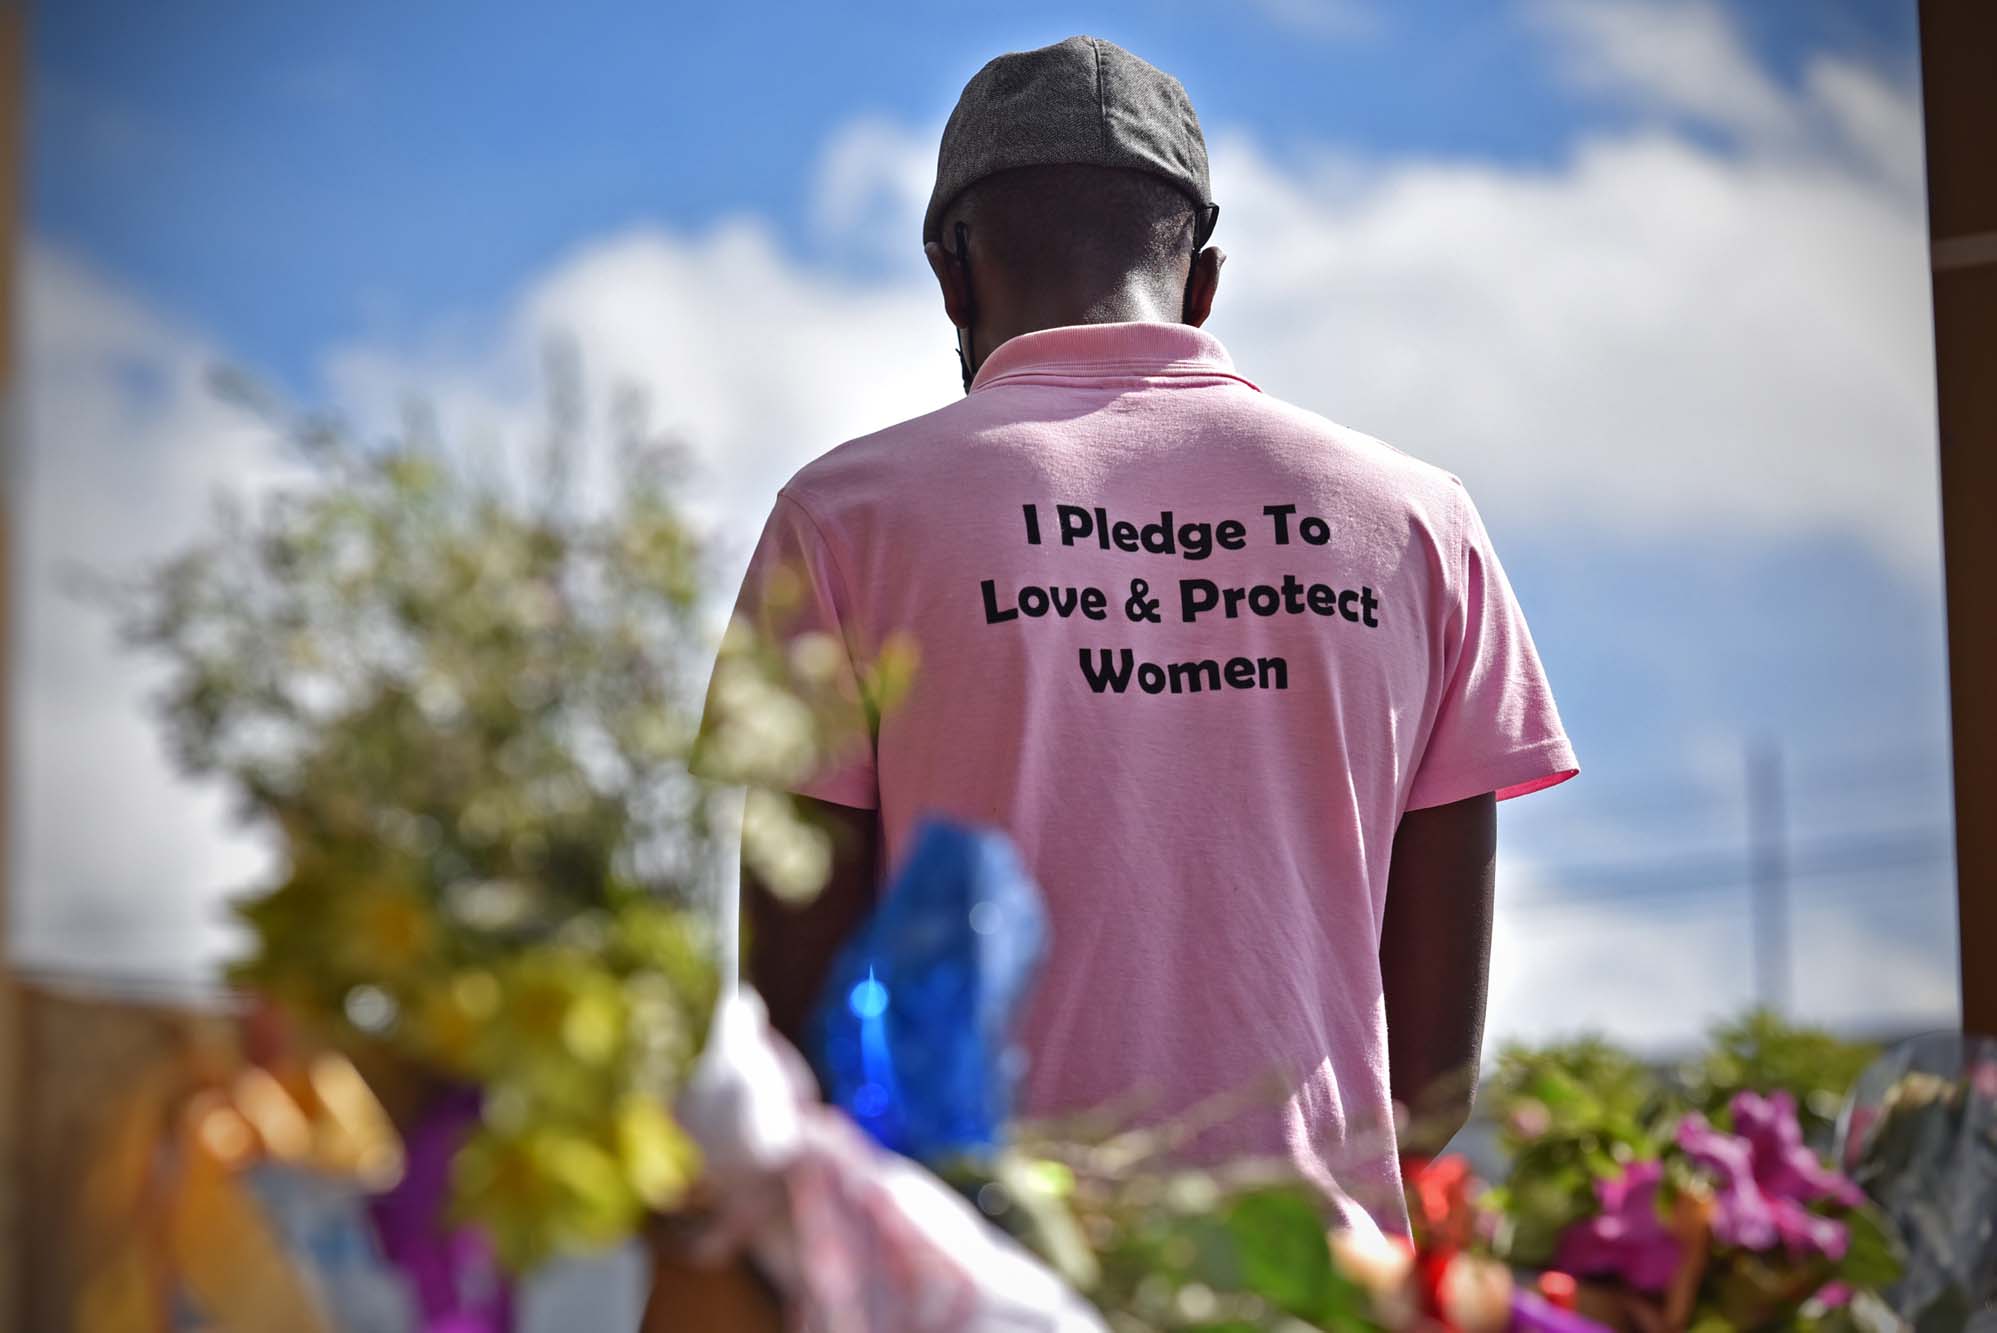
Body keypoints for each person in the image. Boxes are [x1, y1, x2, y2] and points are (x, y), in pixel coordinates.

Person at [695, 33, 1578, 1239]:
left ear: (952, 274)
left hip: (973, 1286)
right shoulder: (1418, 522)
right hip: (1312, 1291)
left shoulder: (843, 519)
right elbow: (1428, 1083)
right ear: (1203, 279)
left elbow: (794, 1026)